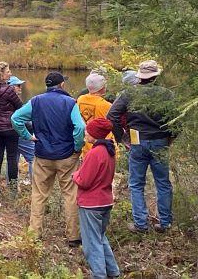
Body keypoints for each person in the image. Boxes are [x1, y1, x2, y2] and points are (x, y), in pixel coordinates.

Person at [11, 71, 85, 246]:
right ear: (62, 85)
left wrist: (27, 136)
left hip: (43, 155)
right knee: (70, 195)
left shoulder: (36, 101)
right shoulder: (70, 102)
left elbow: (15, 118)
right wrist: (76, 147)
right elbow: (80, 127)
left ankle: (34, 234)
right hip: (66, 156)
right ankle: (73, 236)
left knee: (39, 195)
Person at [107, 60, 176, 233]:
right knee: (163, 183)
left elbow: (112, 115)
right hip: (160, 141)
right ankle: (165, 223)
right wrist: (171, 138)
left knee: (136, 184)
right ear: (155, 77)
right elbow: (178, 118)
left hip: (137, 141)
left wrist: (121, 138)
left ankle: (140, 224)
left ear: (140, 77)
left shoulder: (128, 93)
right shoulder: (167, 94)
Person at [73, 118, 120, 279]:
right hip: (106, 201)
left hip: (91, 204)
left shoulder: (94, 153)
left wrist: (75, 175)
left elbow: (84, 181)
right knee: (100, 238)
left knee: (91, 243)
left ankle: (99, 275)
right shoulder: (109, 150)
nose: (85, 132)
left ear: (95, 134)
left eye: (88, 130)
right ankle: (113, 272)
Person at [0, 62, 22, 192]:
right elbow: (20, 106)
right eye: (7, 71)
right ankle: (12, 190)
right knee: (12, 158)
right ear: (1, 74)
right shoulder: (9, 90)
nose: (10, 73)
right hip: (9, 128)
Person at [77, 73, 116, 159]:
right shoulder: (106, 105)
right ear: (102, 88)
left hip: (85, 144)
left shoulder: (80, 99)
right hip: (102, 147)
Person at [8, 75, 35, 184]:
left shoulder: (4, 99)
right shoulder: (14, 101)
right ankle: (35, 184)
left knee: (12, 160)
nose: (20, 88)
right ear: (11, 87)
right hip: (20, 134)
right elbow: (20, 120)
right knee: (34, 157)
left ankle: (12, 186)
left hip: (10, 134)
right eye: (18, 85)